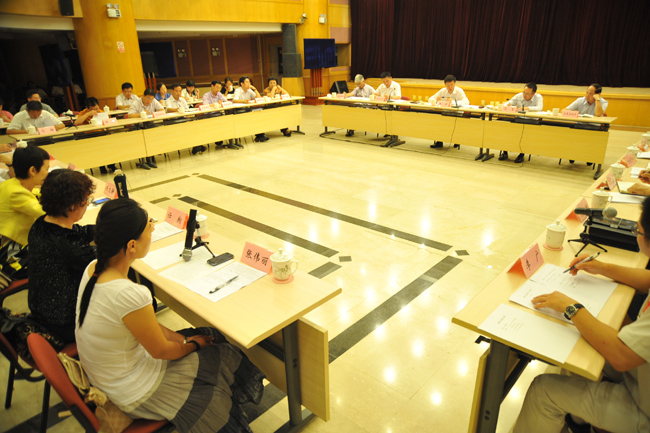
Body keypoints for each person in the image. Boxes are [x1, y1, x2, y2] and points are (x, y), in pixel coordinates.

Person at [75, 198, 265, 433]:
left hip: (109, 377)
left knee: (207, 336)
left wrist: (184, 339)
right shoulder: (129, 294)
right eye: (149, 227)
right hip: (134, 390)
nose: (153, 229)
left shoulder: (93, 268)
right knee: (217, 354)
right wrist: (193, 345)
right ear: (132, 245)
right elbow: (162, 352)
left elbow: (146, 326)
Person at [514, 196, 650, 433]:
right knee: (581, 350)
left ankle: (577, 420)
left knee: (543, 391)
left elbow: (621, 356)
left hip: (643, 406)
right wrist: (602, 268)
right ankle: (578, 422)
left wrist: (571, 307)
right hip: (641, 373)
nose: (636, 236)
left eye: (638, 231)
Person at [28, 169, 96, 343]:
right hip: (65, 322)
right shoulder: (69, 245)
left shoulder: (41, 224)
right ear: (72, 205)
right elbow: (104, 263)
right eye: (86, 200)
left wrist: (106, 227)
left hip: (41, 310)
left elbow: (79, 232)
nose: (87, 205)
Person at [0, 144, 49, 247]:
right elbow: (48, 215)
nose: (47, 173)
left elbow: (36, 193)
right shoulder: (16, 193)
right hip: (11, 250)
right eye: (46, 169)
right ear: (33, 171)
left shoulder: (10, 183)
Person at [500, 83, 544, 163]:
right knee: (508, 132)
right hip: (519, 119)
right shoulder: (519, 96)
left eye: (527, 94)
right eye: (524, 92)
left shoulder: (538, 97)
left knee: (526, 136)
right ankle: (505, 152)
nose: (524, 95)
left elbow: (539, 108)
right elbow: (507, 103)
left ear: (533, 94)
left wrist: (527, 108)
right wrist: (508, 105)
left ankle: (521, 154)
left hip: (531, 120)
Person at [429, 75, 469, 149]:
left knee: (455, 123)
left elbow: (466, 102)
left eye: (452, 85)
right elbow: (430, 98)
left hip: (457, 113)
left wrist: (453, 102)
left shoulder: (459, 91)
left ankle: (457, 141)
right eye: (448, 85)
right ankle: (439, 141)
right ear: (445, 85)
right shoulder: (442, 91)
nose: (450, 87)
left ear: (455, 83)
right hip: (446, 113)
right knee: (438, 122)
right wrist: (436, 100)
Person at [128, 89, 163, 169]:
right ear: (143, 96)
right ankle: (145, 159)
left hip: (150, 124)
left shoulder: (154, 101)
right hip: (138, 125)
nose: (149, 101)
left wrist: (155, 113)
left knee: (157, 133)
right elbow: (130, 115)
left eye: (151, 99)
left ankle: (151, 157)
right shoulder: (136, 103)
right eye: (148, 98)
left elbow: (162, 110)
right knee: (142, 138)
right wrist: (140, 114)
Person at [233, 76, 268, 142]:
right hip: (239, 110)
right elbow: (234, 100)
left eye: (249, 82)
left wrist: (255, 89)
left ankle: (260, 135)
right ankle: (260, 135)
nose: (249, 84)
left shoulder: (249, 90)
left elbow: (258, 98)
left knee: (258, 114)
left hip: (248, 109)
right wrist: (243, 101)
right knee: (254, 116)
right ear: (242, 84)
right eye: (247, 82)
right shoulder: (238, 90)